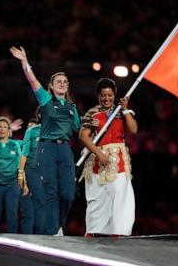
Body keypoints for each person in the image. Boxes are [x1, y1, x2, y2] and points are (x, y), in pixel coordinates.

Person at [10, 46, 80, 235]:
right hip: (46, 150)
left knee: (67, 194)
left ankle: (57, 225)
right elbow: (32, 80)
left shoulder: (73, 108)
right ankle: (52, 231)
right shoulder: (46, 100)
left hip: (65, 150)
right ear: (51, 85)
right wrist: (25, 62)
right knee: (51, 192)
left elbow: (81, 131)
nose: (62, 83)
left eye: (65, 81)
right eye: (58, 81)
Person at [79, 78, 137, 236]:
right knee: (96, 197)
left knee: (120, 195)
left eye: (110, 95)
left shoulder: (120, 112)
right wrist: (99, 153)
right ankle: (91, 231)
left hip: (118, 161)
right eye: (103, 95)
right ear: (98, 96)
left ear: (114, 95)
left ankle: (117, 231)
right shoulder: (93, 113)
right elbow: (83, 137)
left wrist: (125, 109)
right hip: (98, 160)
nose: (107, 98)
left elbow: (133, 129)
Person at [19, 113, 46, 234]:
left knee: (43, 205)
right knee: (36, 205)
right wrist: (21, 174)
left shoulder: (58, 130)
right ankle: (34, 238)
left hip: (49, 172)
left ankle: (41, 236)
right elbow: (24, 154)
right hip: (32, 170)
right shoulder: (31, 131)